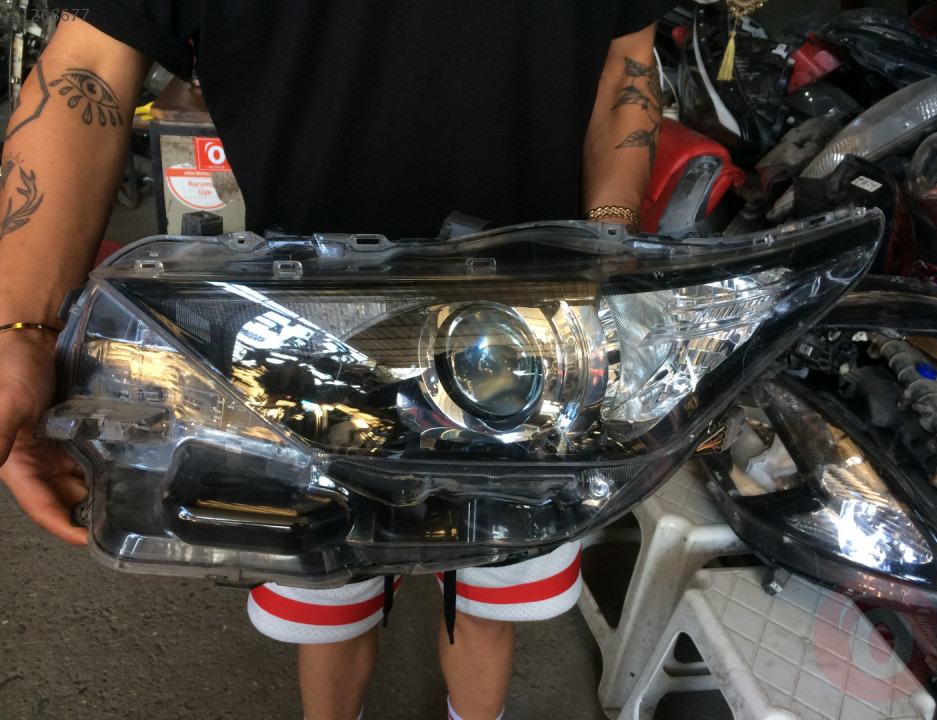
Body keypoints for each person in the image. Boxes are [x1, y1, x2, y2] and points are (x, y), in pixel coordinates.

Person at [0, 2, 673, 718]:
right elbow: (90, 64)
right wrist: (23, 331)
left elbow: (623, 60)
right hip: (304, 347)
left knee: (486, 601)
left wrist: (610, 252)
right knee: (328, 600)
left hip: (529, 341)